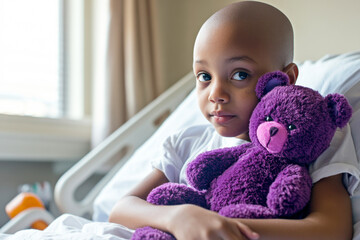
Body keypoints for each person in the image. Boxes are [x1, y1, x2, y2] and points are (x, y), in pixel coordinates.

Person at [109, 1, 353, 239]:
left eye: (239, 74)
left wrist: (222, 227)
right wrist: (180, 218)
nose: (215, 94)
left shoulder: (315, 143)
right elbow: (122, 209)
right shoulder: (187, 143)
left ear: (285, 80)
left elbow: (331, 229)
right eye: (204, 76)